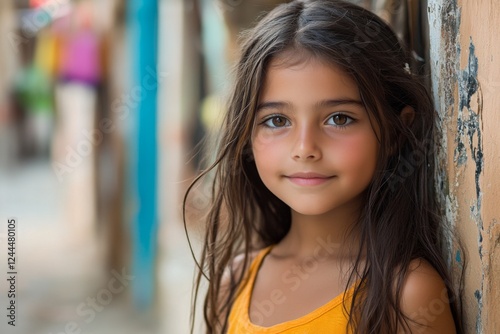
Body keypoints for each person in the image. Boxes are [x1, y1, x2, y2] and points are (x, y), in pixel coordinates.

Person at [183, 0, 463, 333]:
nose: (305, 149)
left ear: (395, 132)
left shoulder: (405, 294)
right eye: (276, 120)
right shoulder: (235, 282)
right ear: (247, 133)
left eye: (339, 118)